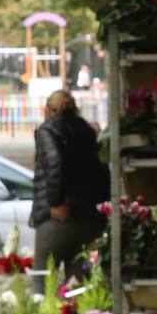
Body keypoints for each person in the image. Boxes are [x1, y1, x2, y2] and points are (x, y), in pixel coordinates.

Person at [31, 89, 109, 269]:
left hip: (58, 217)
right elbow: (101, 169)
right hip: (87, 217)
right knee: (78, 283)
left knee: (42, 280)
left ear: (49, 110)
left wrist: (55, 202)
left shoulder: (47, 130)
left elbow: (55, 163)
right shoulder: (88, 131)